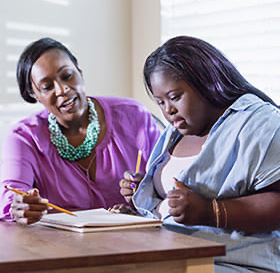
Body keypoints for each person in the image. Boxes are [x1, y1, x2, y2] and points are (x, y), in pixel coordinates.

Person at [117, 36, 280, 272]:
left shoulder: (260, 124)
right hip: (173, 254)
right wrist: (144, 192)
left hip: (232, 263)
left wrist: (210, 212)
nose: (168, 110)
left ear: (206, 82)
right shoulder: (175, 131)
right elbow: (177, 199)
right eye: (160, 102)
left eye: (174, 97)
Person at [0, 37, 161, 225]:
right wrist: (19, 207)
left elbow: (165, 183)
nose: (62, 89)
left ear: (80, 72)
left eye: (67, 75)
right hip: (62, 248)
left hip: (135, 243)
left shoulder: (133, 115)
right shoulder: (24, 137)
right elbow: (9, 202)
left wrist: (147, 192)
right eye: (47, 86)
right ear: (34, 95)